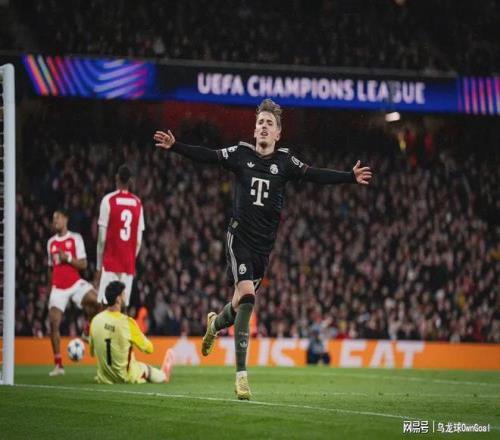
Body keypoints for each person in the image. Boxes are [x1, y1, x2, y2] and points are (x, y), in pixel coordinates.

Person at [153, 98, 372, 399]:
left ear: (278, 133)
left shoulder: (285, 162)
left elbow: (314, 175)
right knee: (248, 298)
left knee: (236, 307)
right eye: (260, 123)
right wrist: (176, 146)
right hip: (239, 239)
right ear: (255, 130)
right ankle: (241, 376)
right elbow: (208, 156)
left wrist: (349, 177)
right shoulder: (240, 154)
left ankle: (214, 325)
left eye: (270, 123)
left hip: (263, 249)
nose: (264, 127)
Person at [47, 209, 99, 376]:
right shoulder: (51, 243)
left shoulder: (75, 238)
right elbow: (50, 268)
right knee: (53, 323)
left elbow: (83, 264)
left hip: (75, 283)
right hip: (58, 288)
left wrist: (67, 258)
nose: (55, 221)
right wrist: (51, 288)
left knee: (98, 301)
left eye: (58, 218)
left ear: (65, 219)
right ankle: (58, 365)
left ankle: (86, 331)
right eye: (53, 218)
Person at [89, 281, 174, 384]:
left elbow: (91, 352)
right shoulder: (127, 323)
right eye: (124, 294)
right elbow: (149, 349)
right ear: (118, 299)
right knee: (144, 368)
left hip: (103, 379)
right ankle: (164, 375)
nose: (125, 298)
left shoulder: (95, 320)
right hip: (125, 377)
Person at [96, 165, 145, 308]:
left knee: (104, 305)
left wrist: (99, 265)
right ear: (130, 181)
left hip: (110, 261)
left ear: (117, 178)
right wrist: (130, 257)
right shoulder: (137, 203)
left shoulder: (108, 200)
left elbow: (102, 239)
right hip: (127, 264)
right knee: (122, 307)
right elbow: (138, 241)